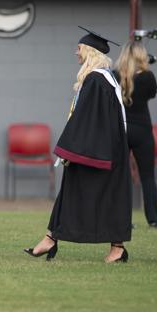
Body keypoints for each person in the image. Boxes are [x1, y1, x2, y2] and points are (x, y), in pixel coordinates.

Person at [24, 27, 131, 263]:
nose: (76, 53)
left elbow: (86, 119)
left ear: (90, 52)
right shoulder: (106, 78)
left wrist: (70, 150)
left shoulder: (95, 80)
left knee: (105, 196)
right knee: (84, 194)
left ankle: (117, 247)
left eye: (79, 48)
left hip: (99, 151)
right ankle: (51, 239)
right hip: (104, 149)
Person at [115, 39, 157, 227]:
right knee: (148, 175)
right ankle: (153, 220)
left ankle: (123, 219)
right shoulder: (148, 76)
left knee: (120, 176)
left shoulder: (116, 75)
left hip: (121, 127)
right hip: (142, 128)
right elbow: (152, 93)